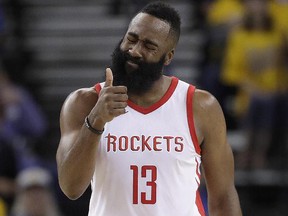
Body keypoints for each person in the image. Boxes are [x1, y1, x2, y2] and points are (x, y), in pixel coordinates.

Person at [56, 2, 242, 216]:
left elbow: (223, 196)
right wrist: (96, 121)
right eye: (131, 39)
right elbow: (70, 188)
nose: (134, 51)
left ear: (168, 57)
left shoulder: (199, 106)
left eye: (149, 46)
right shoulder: (84, 102)